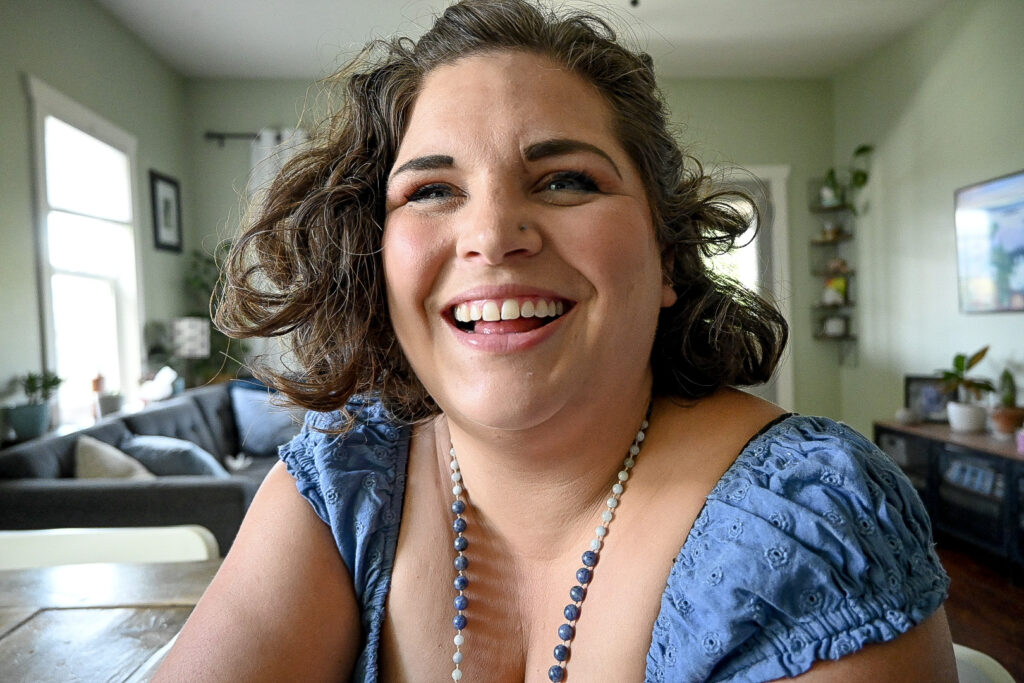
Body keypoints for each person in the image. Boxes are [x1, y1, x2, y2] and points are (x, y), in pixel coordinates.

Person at [155, 1, 956, 680]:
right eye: (432, 189)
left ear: (669, 253)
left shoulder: (812, 529)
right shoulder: (342, 482)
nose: (493, 234)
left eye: (566, 179)